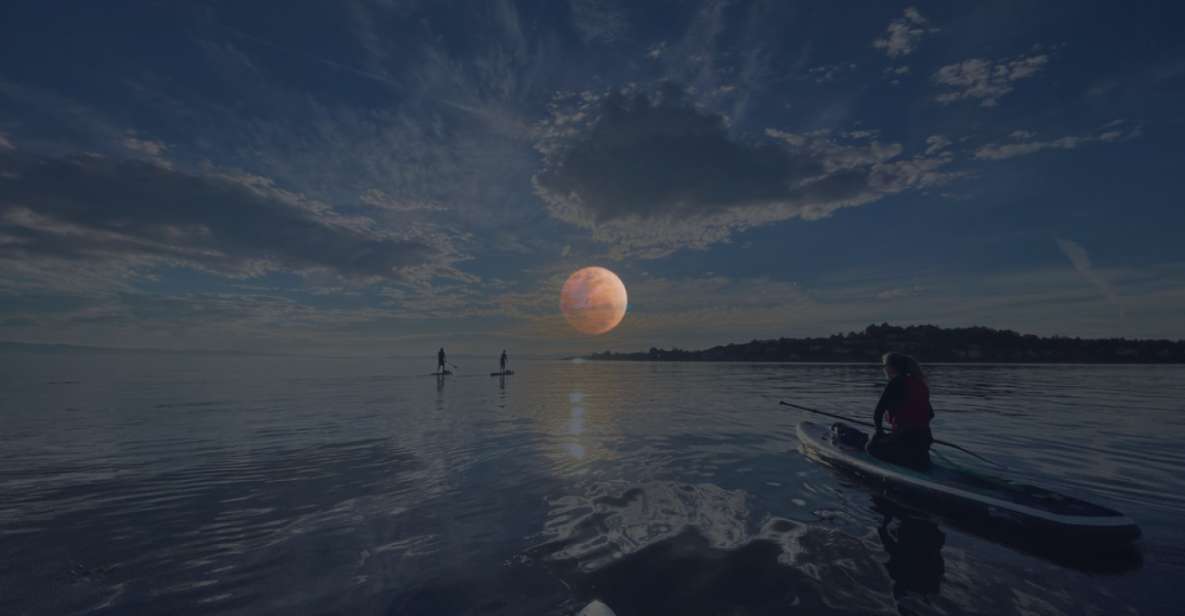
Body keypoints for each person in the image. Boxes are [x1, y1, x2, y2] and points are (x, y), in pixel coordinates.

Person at [868, 352, 934, 469]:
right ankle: (916, 457)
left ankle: (902, 460)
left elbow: (878, 413)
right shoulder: (920, 383)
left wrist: (879, 433)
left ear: (892, 367)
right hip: (924, 438)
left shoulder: (896, 382)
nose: (884, 369)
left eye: (884, 366)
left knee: (870, 447)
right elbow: (930, 414)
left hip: (905, 438)